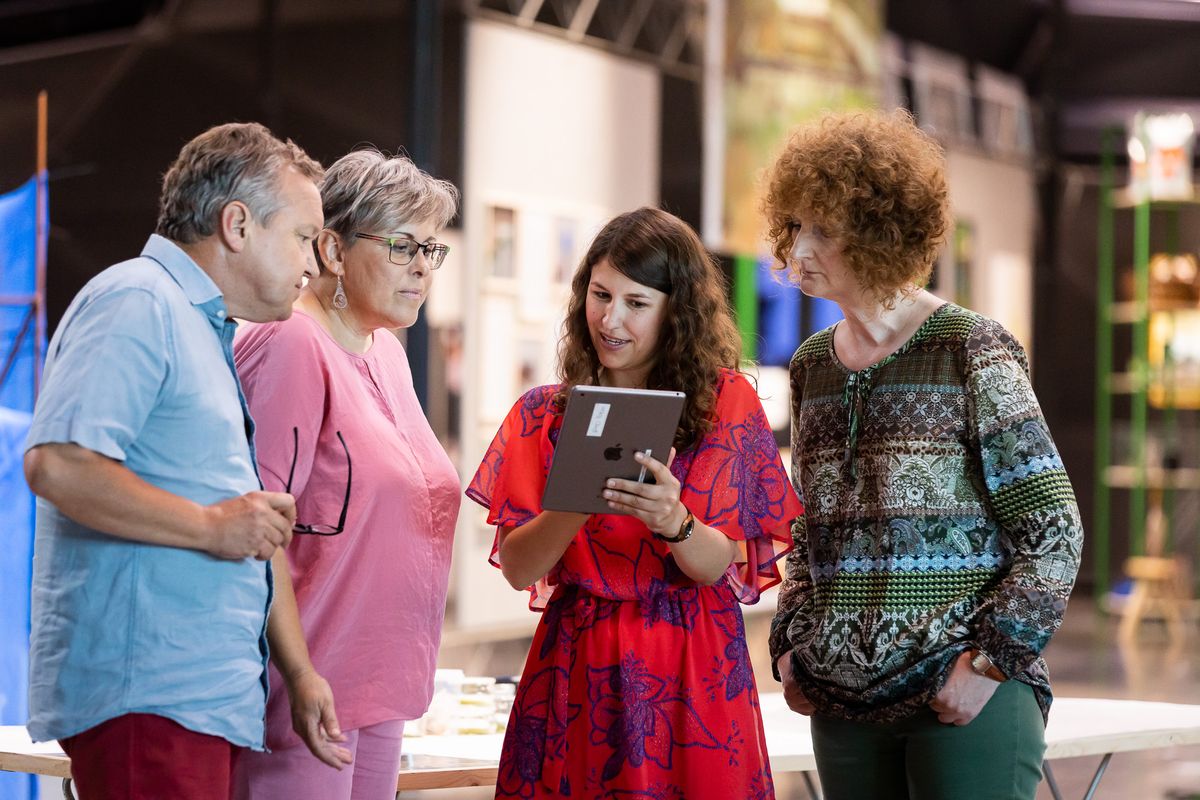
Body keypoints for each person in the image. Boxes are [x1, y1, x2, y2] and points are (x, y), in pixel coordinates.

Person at [763, 109, 1083, 800]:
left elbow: (1054, 532)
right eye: (794, 227)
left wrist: (990, 666)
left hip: (962, 698)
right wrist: (791, 642)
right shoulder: (812, 365)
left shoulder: (970, 348)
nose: (799, 250)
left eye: (823, 228)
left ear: (880, 231)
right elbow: (807, 529)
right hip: (841, 709)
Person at [23, 122, 324, 799]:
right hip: (149, 695)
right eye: (304, 235)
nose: (314, 260)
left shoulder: (197, 323)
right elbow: (58, 465)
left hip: (188, 698)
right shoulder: (138, 300)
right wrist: (212, 526)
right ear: (238, 224)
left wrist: (297, 671)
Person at [467, 207, 803, 799]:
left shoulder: (726, 404)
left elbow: (717, 564)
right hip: (577, 663)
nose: (610, 319)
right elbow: (519, 567)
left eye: (636, 303)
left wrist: (674, 521)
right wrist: (575, 500)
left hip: (690, 665)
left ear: (676, 311)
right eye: (600, 295)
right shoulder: (543, 414)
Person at [231, 148, 461, 800]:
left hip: (381, 681)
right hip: (306, 691)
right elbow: (255, 527)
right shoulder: (291, 342)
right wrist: (300, 673)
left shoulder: (386, 352)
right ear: (332, 249)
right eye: (401, 246)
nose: (422, 267)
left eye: (431, 249)